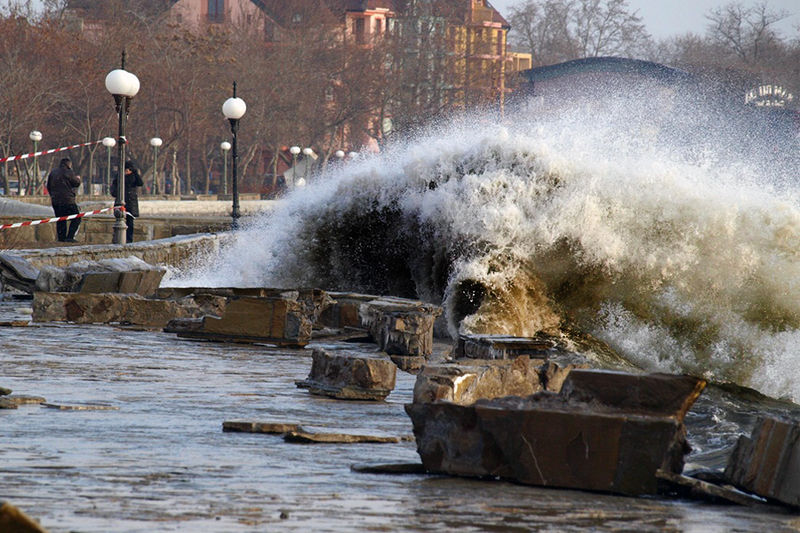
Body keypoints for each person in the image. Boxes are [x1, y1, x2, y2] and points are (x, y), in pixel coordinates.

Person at [46, 157, 81, 242]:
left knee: (61, 220)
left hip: (56, 201)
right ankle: (69, 237)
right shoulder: (69, 172)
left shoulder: (53, 172)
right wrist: (78, 179)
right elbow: (76, 183)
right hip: (68, 200)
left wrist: (53, 196)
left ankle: (61, 239)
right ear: (68, 164)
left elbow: (48, 186)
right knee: (76, 218)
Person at [111, 161, 144, 243]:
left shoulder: (134, 177)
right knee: (119, 220)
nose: (127, 171)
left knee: (130, 222)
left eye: (129, 170)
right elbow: (113, 189)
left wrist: (135, 173)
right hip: (121, 201)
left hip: (131, 202)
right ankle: (117, 238)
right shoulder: (119, 177)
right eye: (126, 170)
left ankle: (129, 239)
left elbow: (140, 183)